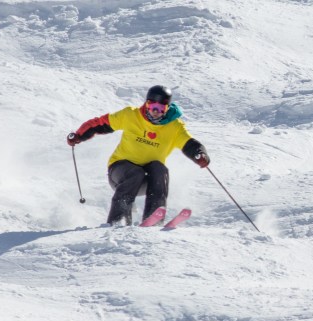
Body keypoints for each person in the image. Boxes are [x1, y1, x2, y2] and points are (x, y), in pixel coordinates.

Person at [66, 85, 210, 226]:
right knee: (136, 172)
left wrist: (200, 155)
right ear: (146, 104)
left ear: (167, 108)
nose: (156, 112)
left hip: (147, 181)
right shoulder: (130, 115)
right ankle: (118, 218)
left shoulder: (175, 127)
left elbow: (190, 144)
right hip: (119, 173)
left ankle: (153, 218)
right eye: (153, 106)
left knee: (160, 169)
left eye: (161, 108)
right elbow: (100, 123)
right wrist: (79, 135)